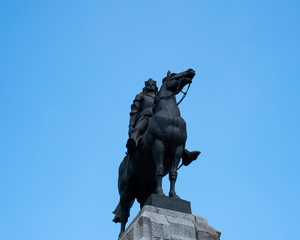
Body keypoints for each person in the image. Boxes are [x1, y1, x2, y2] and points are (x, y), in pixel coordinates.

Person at [126, 78, 200, 163]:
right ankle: (133, 142)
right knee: (140, 127)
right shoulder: (141, 96)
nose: (151, 86)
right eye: (149, 85)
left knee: (174, 131)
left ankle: (184, 152)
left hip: (159, 119)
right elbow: (134, 111)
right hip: (145, 117)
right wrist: (131, 125)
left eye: (153, 85)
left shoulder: (160, 96)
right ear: (145, 87)